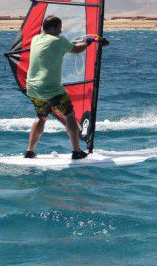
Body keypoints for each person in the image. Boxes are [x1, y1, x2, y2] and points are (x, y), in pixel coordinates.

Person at [24, 15, 109, 159]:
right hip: (51, 89)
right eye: (59, 28)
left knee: (42, 118)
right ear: (52, 28)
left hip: (33, 89)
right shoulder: (59, 40)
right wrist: (89, 42)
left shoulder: (36, 39)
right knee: (69, 115)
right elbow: (76, 49)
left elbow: (56, 47)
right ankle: (76, 151)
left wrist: (80, 42)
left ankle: (30, 151)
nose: (61, 31)